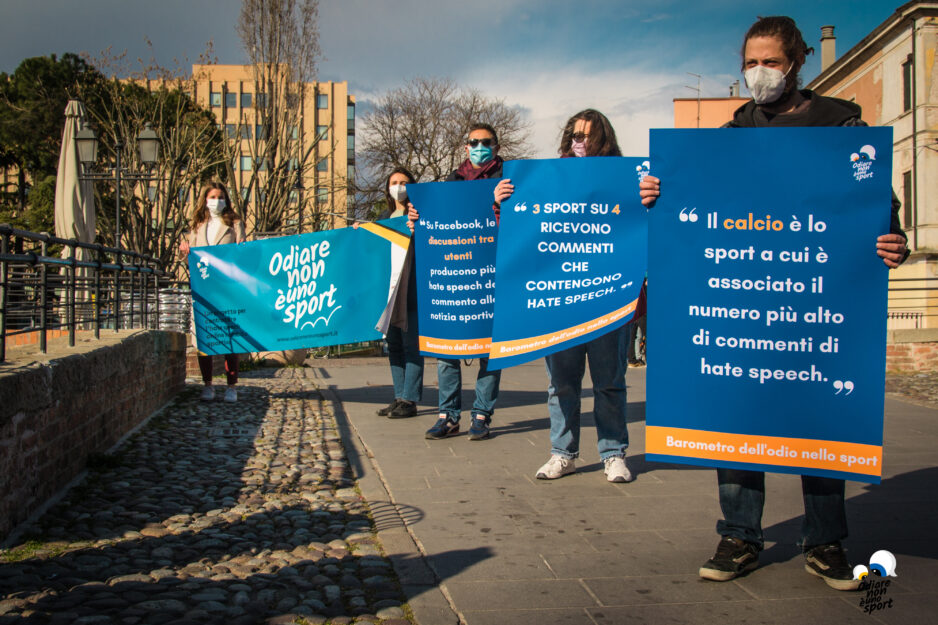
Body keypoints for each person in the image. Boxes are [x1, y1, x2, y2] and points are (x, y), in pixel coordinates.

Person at [639, 16, 909, 590]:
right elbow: (693, 200)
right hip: (740, 301)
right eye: (750, 61)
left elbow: (874, 202)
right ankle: (739, 535)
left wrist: (893, 237)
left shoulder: (839, 122)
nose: (758, 72)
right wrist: (658, 195)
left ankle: (826, 542)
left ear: (796, 62)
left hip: (812, 300)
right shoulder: (733, 130)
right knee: (738, 413)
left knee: (819, 414)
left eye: (770, 61)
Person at [494, 109, 633, 483]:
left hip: (608, 298)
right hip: (560, 302)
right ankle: (562, 453)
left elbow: (640, 229)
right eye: (573, 134)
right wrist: (503, 201)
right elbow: (522, 234)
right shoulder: (546, 180)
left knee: (609, 381)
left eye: (586, 135)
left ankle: (614, 453)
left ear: (603, 137)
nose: (578, 141)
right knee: (561, 384)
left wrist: (648, 199)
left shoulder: (625, 177)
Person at [407, 123, 504, 441]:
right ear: (465, 147)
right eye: (473, 142)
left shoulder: (509, 181)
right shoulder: (450, 182)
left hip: (491, 277)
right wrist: (416, 218)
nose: (479, 147)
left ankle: (481, 414)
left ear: (496, 146)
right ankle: (448, 416)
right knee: (446, 345)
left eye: (485, 142)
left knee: (491, 350)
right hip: (452, 277)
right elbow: (432, 219)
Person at [183, 182, 246, 403]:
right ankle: (208, 384)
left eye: (220, 196)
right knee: (204, 338)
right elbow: (188, 253)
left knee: (230, 339)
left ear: (226, 200)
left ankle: (231, 386)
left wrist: (243, 247)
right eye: (212, 196)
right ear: (205, 199)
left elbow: (244, 253)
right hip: (203, 290)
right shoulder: (198, 225)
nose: (216, 200)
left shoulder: (235, 223)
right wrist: (183, 251)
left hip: (227, 289)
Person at [377, 167, 425, 418]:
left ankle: (410, 398)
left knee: (411, 346)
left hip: (411, 288)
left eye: (404, 182)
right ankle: (399, 396)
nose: (399, 186)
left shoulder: (419, 213)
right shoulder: (385, 216)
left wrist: (419, 229)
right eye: (394, 182)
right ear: (387, 187)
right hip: (388, 291)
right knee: (393, 345)